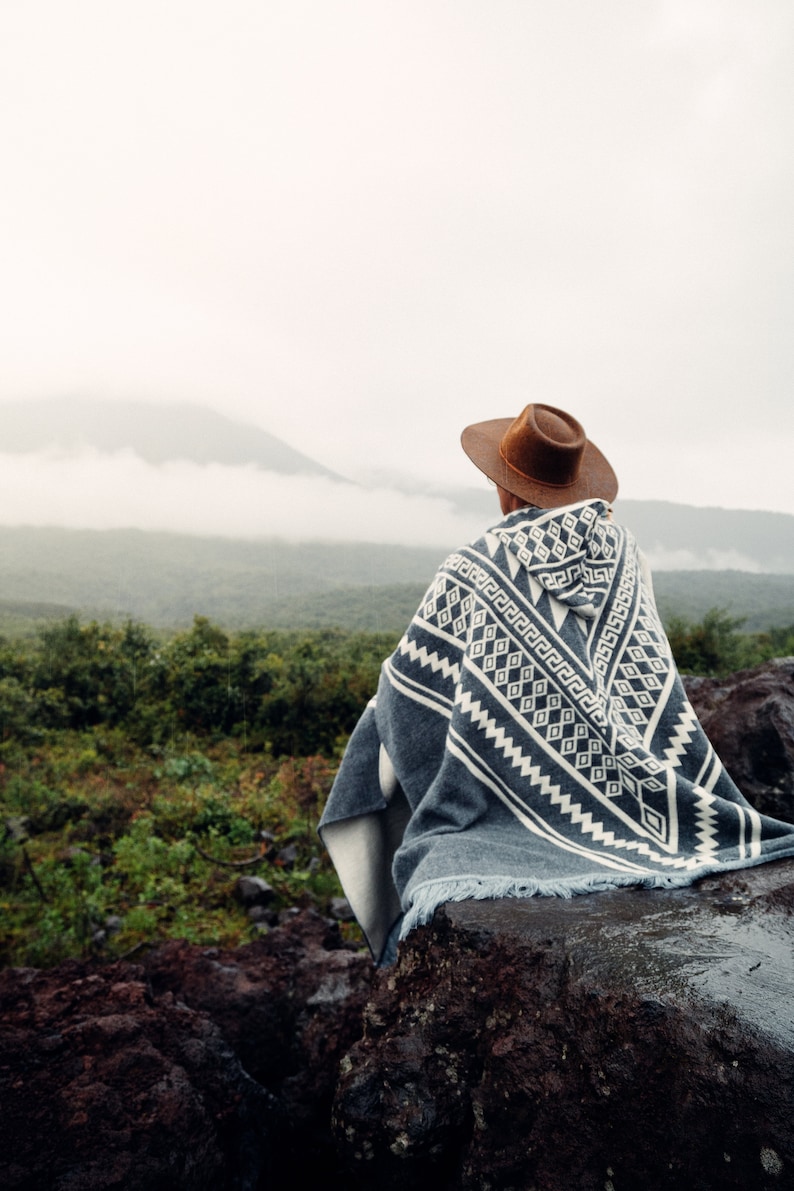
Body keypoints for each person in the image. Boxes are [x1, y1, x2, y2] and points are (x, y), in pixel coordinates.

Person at [319, 403, 794, 965]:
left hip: (512, 787)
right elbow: (640, 676)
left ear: (503, 486)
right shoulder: (622, 554)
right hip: (644, 786)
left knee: (382, 728)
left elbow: (412, 684)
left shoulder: (477, 564)